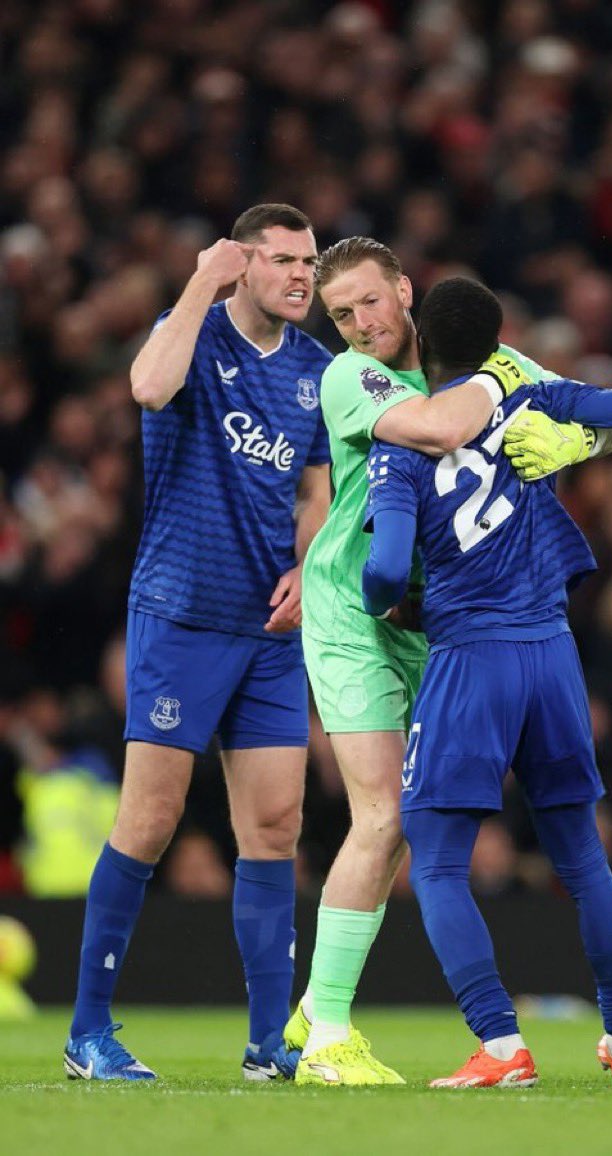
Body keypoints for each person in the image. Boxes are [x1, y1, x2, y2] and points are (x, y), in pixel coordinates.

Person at [286, 237, 612, 1085]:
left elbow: (606, 417)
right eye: (340, 316)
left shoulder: (478, 356)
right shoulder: (350, 379)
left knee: (412, 822)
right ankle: (326, 1034)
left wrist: (576, 446)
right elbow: (439, 428)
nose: (360, 325)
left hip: (439, 621)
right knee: (386, 818)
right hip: (355, 612)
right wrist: (517, 395)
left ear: (405, 289)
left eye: (369, 302)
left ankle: (317, 1005)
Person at [359, 275, 612, 1087]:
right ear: (498, 340)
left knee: (436, 860)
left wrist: (399, 610)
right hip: (551, 653)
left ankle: (501, 1045)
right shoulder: (533, 393)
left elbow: (384, 569)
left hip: (470, 655)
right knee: (581, 854)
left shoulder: (401, 436)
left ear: (420, 345)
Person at [63, 204, 331, 1081]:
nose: (303, 276)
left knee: (276, 825)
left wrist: (310, 565)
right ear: (244, 263)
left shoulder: (317, 371)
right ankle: (88, 1033)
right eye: (285, 260)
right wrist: (197, 283)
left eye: (311, 262)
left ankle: (266, 1046)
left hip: (269, 630)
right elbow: (146, 387)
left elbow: (320, 492)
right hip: (181, 612)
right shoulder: (190, 333)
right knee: (149, 821)